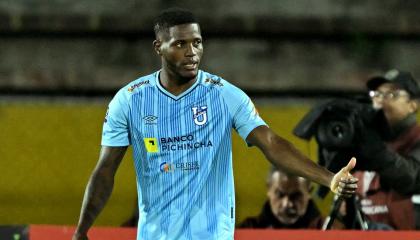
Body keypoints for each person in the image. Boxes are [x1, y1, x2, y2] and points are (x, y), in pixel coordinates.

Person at [72, 8, 358, 240]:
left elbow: (271, 143)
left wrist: (328, 178)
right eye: (180, 44)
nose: (191, 52)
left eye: (196, 42)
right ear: (159, 47)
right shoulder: (130, 101)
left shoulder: (224, 95)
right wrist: (82, 229)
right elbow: (105, 170)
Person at [352, 69, 420, 229]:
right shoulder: (365, 143)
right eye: (376, 94)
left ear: (413, 105)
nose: (381, 101)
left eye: (391, 95)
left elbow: (413, 178)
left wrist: (376, 151)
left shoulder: (415, 140)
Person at [238, 167, 323, 229]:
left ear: (309, 192)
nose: (287, 204)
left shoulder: (330, 230)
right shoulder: (248, 229)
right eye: (280, 194)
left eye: (296, 196)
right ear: (269, 189)